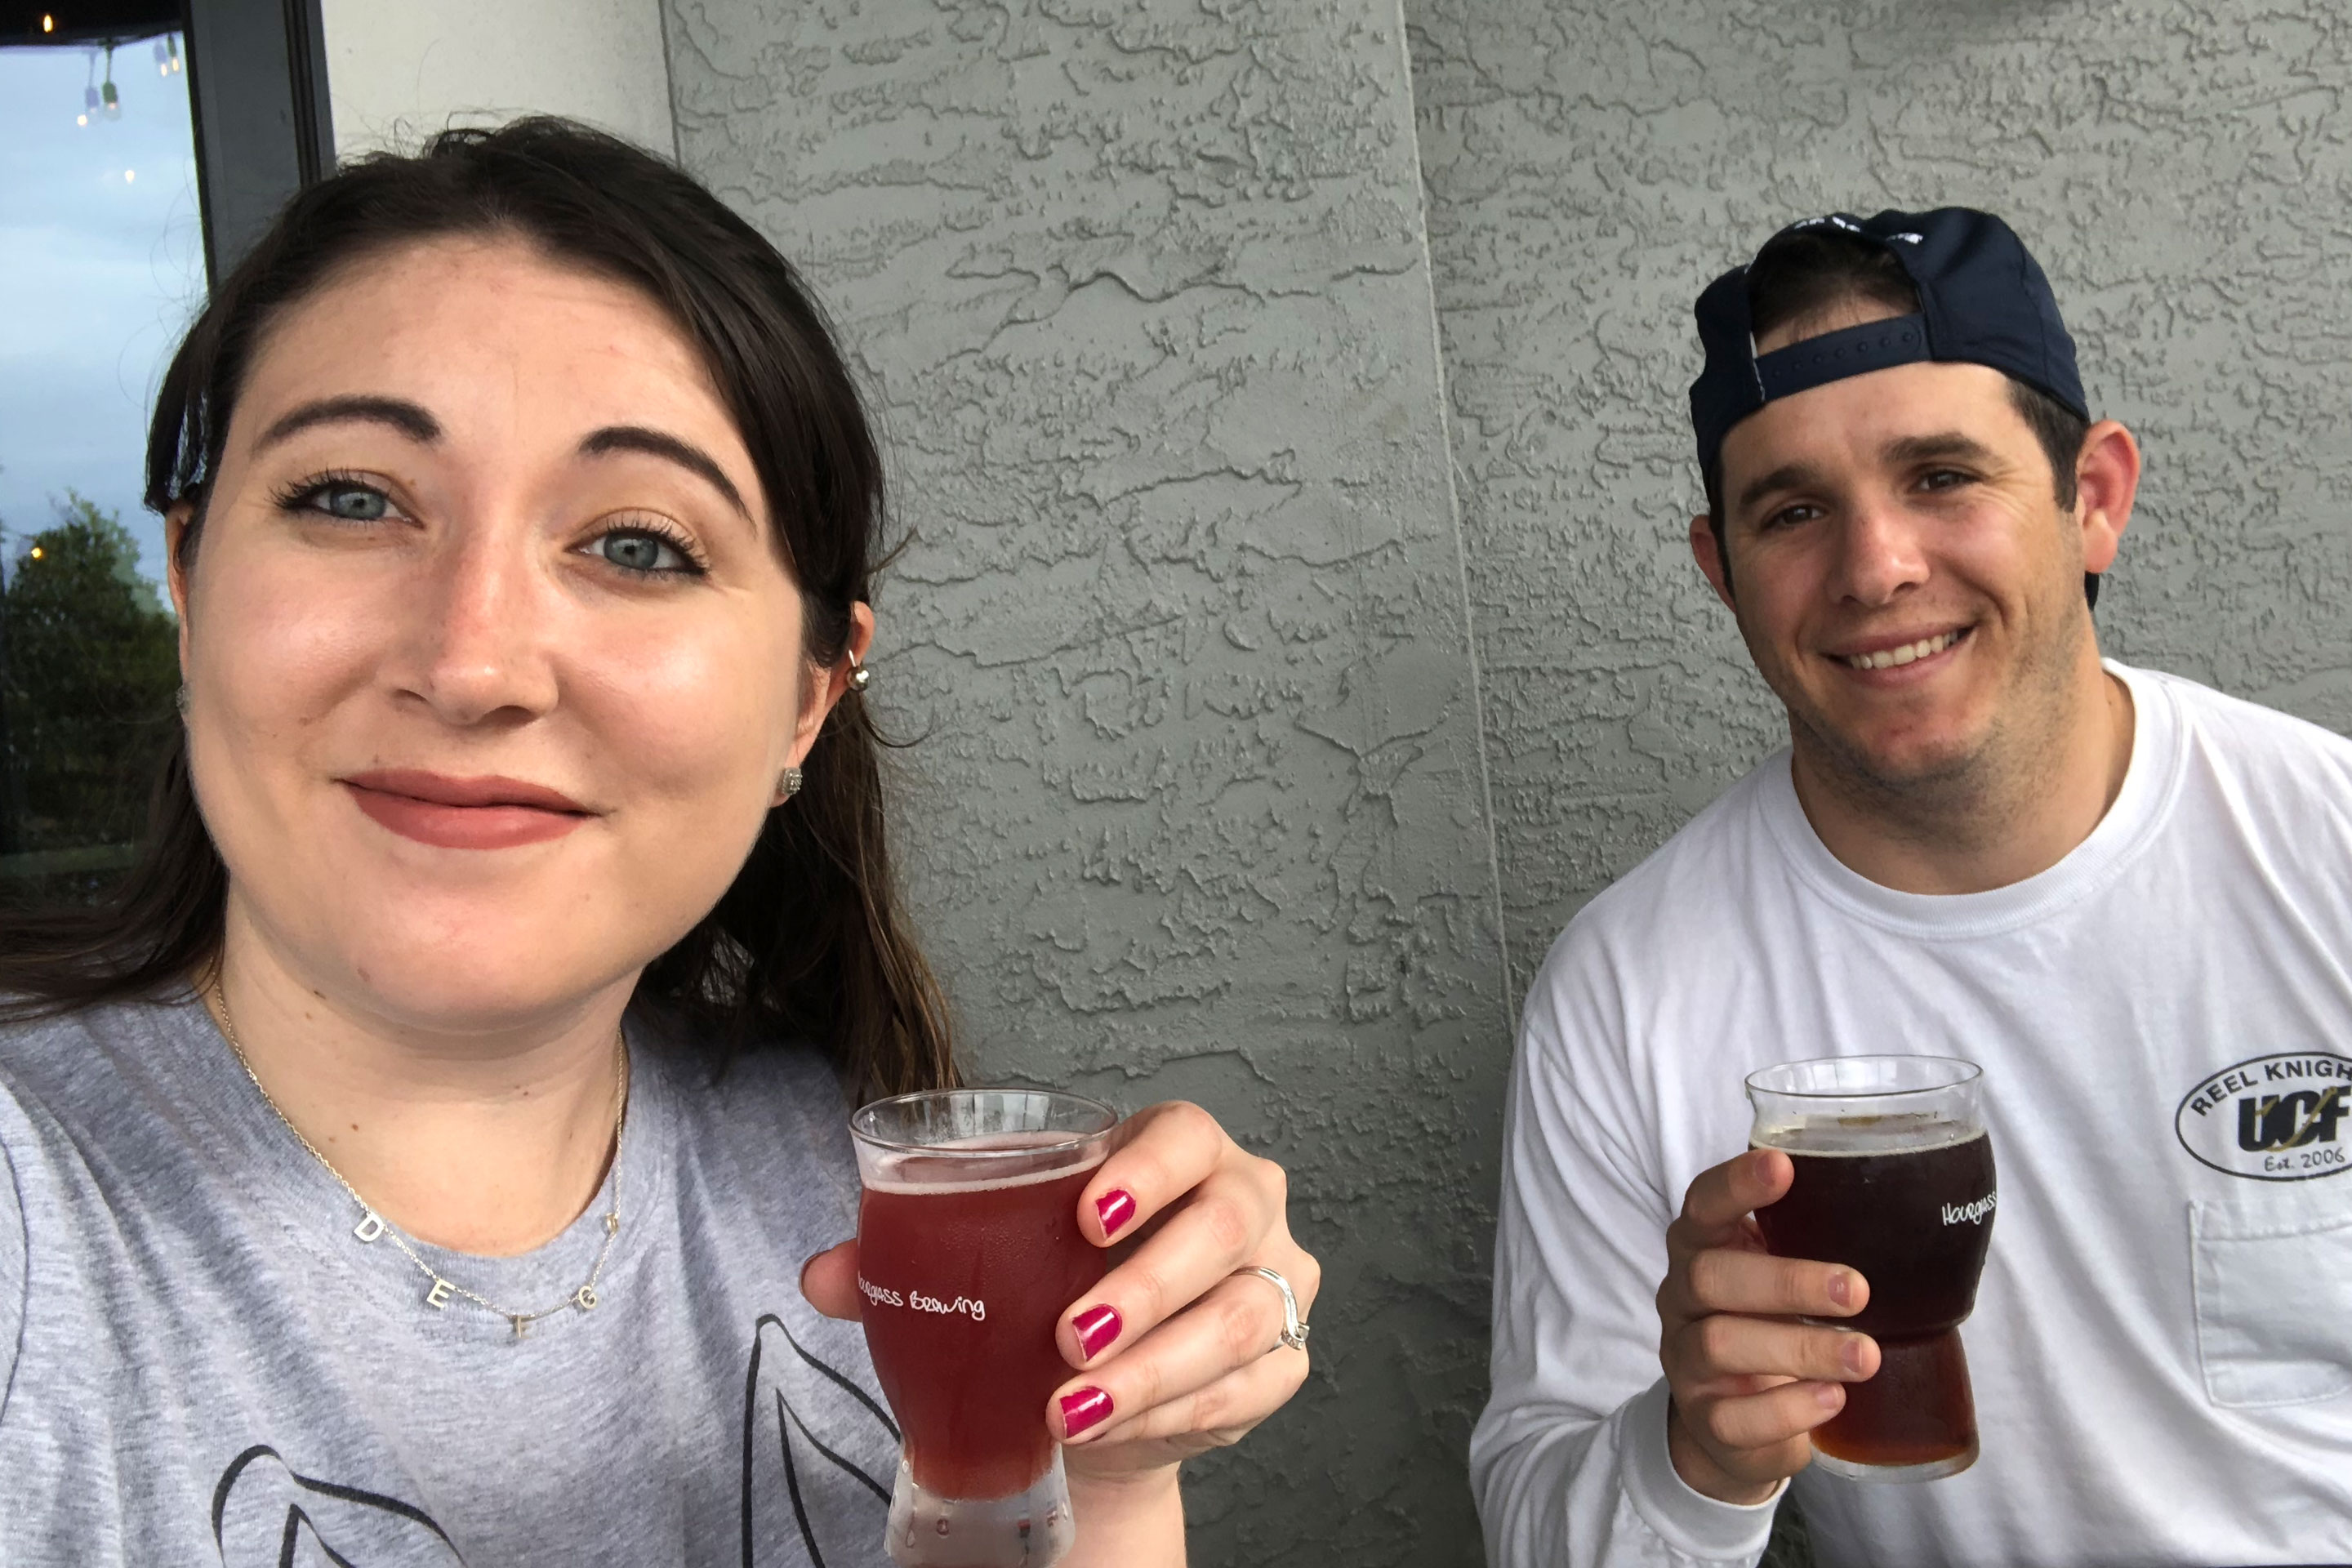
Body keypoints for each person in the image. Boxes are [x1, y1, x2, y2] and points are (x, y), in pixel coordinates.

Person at [0, 118, 1319, 1566]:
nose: (474, 662)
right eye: (352, 499)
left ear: (808, 701)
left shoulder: (849, 1169)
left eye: (636, 544)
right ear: (190, 585)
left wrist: (1106, 1460)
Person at [1471, 207, 2352, 1566]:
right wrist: (1693, 1452)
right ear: (1723, 573)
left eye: (1941, 476)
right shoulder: (1631, 989)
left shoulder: (2326, 849)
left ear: (2094, 499)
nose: (1877, 568)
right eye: (1796, 510)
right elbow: (1544, 1526)